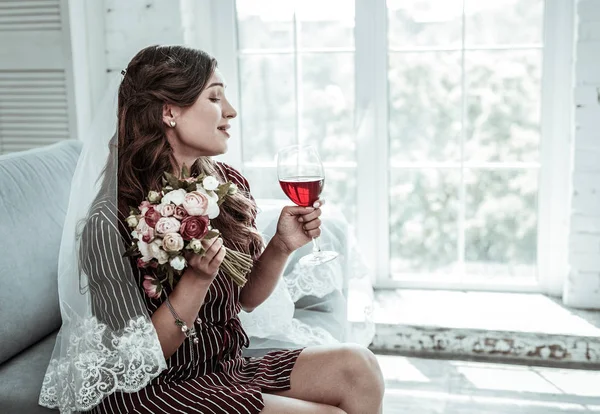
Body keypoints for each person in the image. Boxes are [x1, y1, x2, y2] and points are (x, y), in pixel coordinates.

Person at [40, 45, 384, 414]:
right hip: (153, 390)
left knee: (359, 368)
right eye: (215, 97)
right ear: (169, 112)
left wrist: (283, 245)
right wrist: (196, 280)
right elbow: (136, 359)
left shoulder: (227, 185)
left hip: (223, 370)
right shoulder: (109, 220)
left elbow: (245, 299)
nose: (231, 111)